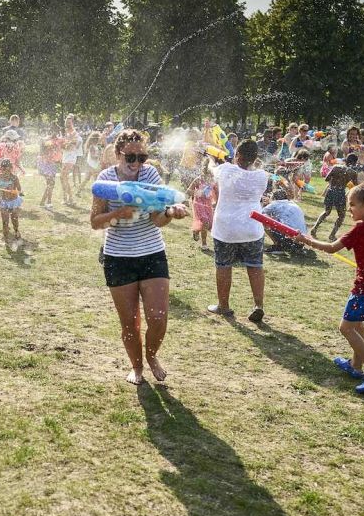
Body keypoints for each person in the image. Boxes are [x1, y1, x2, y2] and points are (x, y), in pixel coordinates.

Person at [91, 129, 187, 384]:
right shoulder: (106, 180)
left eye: (141, 157)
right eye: (130, 157)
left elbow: (157, 219)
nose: (136, 164)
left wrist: (169, 213)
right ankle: (137, 367)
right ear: (118, 154)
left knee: (157, 317)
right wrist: (118, 213)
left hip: (151, 252)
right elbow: (94, 222)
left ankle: (152, 355)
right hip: (118, 257)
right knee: (130, 323)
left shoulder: (150, 175)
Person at [298, 184, 364, 392]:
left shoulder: (360, 228)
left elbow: (332, 248)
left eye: (352, 205)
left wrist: (307, 240)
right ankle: (355, 366)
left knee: (346, 327)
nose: (349, 209)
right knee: (357, 325)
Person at [207, 140, 270, 322]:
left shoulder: (226, 169)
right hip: (252, 228)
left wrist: (212, 159)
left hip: (226, 228)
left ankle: (224, 306)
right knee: (255, 266)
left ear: (237, 155)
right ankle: (258, 305)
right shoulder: (262, 176)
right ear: (255, 158)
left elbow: (212, 169)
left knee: (224, 265)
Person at [311, 154, 360, 240]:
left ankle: (314, 228)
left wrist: (335, 181)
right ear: (355, 163)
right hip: (340, 193)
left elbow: (327, 179)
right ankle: (332, 235)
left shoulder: (336, 167)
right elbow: (356, 186)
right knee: (341, 216)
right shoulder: (353, 173)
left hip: (330, 191)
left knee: (326, 211)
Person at [263, 188, 310, 257]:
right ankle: (295, 246)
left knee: (264, 219)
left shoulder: (275, 203)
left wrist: (266, 204)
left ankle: (278, 246)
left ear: (274, 197)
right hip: (302, 239)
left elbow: (259, 215)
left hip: (290, 237)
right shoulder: (292, 203)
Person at [188, 158, 217, 254]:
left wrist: (217, 202)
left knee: (209, 224)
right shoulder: (199, 180)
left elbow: (218, 193)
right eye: (208, 173)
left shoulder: (213, 182)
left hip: (207, 204)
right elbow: (189, 191)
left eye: (211, 174)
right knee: (204, 221)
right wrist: (197, 192)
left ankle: (196, 231)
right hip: (198, 203)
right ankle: (204, 244)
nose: (210, 176)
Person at [0, 158, 24, 243]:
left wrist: (19, 192)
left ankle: (16, 230)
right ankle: (6, 237)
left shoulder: (14, 178)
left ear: (11, 168)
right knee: (5, 221)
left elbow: (19, 189)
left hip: (13, 202)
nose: (5, 171)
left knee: (14, 219)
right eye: (3, 169)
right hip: (4, 202)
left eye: (7, 169)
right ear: (1, 169)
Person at [37, 128, 63, 210]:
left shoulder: (56, 140)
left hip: (52, 164)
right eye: (53, 130)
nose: (55, 133)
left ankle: (43, 202)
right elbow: (44, 151)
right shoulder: (47, 141)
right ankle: (48, 202)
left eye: (56, 131)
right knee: (51, 183)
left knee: (51, 184)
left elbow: (58, 152)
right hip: (46, 164)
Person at [60, 113, 81, 205]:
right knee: (62, 177)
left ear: (72, 123)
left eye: (69, 122)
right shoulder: (64, 132)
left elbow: (73, 147)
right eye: (66, 122)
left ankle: (71, 199)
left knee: (64, 176)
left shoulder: (75, 133)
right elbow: (62, 145)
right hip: (65, 156)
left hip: (71, 157)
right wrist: (63, 145)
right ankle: (65, 198)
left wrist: (65, 145)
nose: (67, 123)